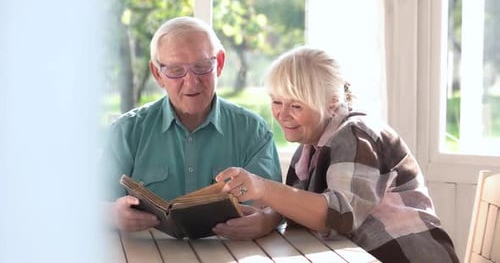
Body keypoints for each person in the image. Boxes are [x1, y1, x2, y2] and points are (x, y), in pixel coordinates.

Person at [216, 46, 460, 262]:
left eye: (296, 105)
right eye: (276, 102)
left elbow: (339, 214)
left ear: (332, 102)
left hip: (406, 256)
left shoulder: (355, 134)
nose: (282, 114)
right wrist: (268, 217)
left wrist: (263, 188)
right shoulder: (309, 145)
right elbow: (303, 208)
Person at [103, 16, 282, 240]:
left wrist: (266, 221)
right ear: (157, 73)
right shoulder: (126, 132)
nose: (191, 82)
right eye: (176, 70)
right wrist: (111, 215)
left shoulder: (252, 130)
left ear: (220, 63)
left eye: (202, 67)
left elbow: (275, 206)